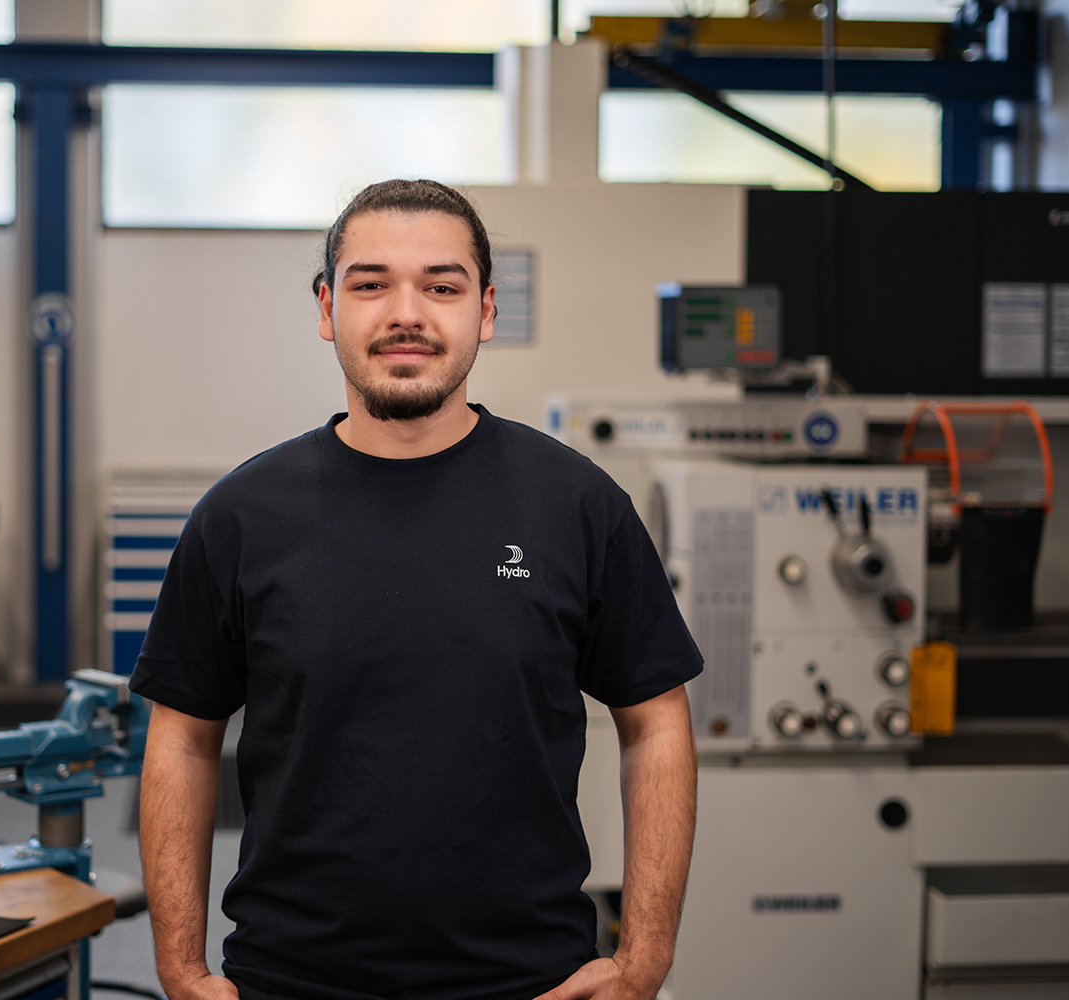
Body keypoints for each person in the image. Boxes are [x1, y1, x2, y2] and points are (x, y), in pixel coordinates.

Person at [132, 179, 702, 1000]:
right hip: (293, 982)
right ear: (328, 307)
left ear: (487, 310)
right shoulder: (242, 516)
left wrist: (645, 957)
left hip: (529, 982)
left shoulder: (576, 505)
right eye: (371, 284)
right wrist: (180, 967)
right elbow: (182, 738)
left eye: (442, 286)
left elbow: (656, 723)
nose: (407, 313)